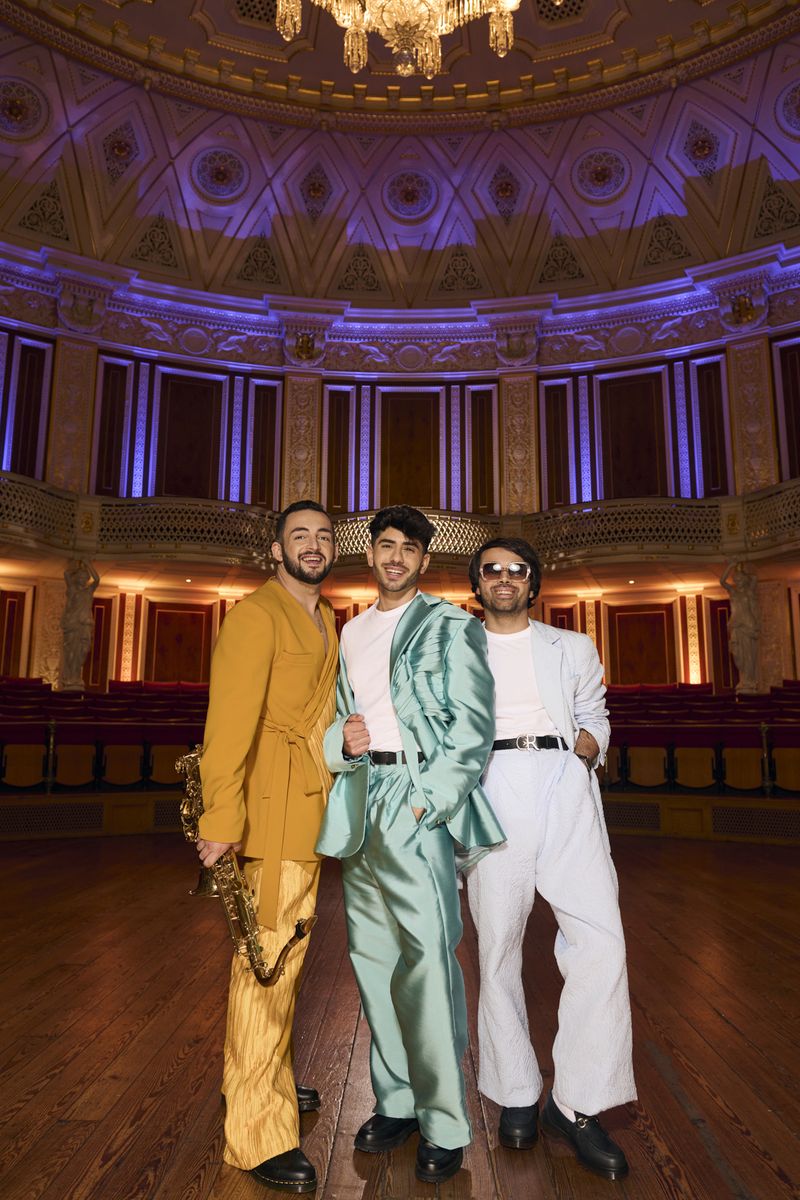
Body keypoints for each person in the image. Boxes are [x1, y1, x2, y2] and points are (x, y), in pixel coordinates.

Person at [316, 504, 504, 1186]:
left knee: (428, 963)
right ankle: (396, 1102)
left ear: (426, 560)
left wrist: (432, 801)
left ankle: (445, 1121)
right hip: (364, 798)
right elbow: (342, 712)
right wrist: (343, 739)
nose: (396, 556)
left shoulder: (453, 624)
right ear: (370, 554)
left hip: (417, 805)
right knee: (372, 959)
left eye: (409, 548)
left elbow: (474, 727)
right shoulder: (351, 630)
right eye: (386, 545)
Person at [466, 536, 636, 1181]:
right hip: (491, 789)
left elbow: (596, 711)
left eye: (516, 570)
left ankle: (578, 1104)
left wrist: (587, 748)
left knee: (601, 943)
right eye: (491, 570)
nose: (504, 578)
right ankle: (515, 1093)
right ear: (477, 585)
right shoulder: (460, 646)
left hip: (565, 785)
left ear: (532, 583)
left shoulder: (574, 646)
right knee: (498, 950)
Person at [195, 500, 339, 1194]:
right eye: (298, 537)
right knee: (266, 964)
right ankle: (255, 1132)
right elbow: (226, 725)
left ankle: (259, 1079)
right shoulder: (255, 615)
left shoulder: (326, 617)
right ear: (275, 552)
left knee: (286, 959)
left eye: (322, 536)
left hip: (309, 805)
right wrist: (221, 818)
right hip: (270, 809)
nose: (312, 546)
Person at [720, 561, 760, 693]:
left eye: (740, 578)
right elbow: (722, 581)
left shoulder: (749, 591)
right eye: (736, 579)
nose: (737, 581)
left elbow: (754, 578)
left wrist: (744, 566)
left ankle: (749, 682)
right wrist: (730, 566)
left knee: (749, 655)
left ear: (744, 579)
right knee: (738, 655)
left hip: (748, 625)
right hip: (736, 626)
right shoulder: (733, 591)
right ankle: (744, 681)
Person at [60, 558, 99, 689]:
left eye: (85, 577)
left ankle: (76, 676)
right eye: (80, 577)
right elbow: (66, 574)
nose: (82, 579)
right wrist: (76, 567)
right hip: (73, 624)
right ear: (77, 578)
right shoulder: (72, 590)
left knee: (84, 651)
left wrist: (89, 564)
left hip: (86, 625)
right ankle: (71, 678)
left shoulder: (89, 591)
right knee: (71, 652)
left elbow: (97, 579)